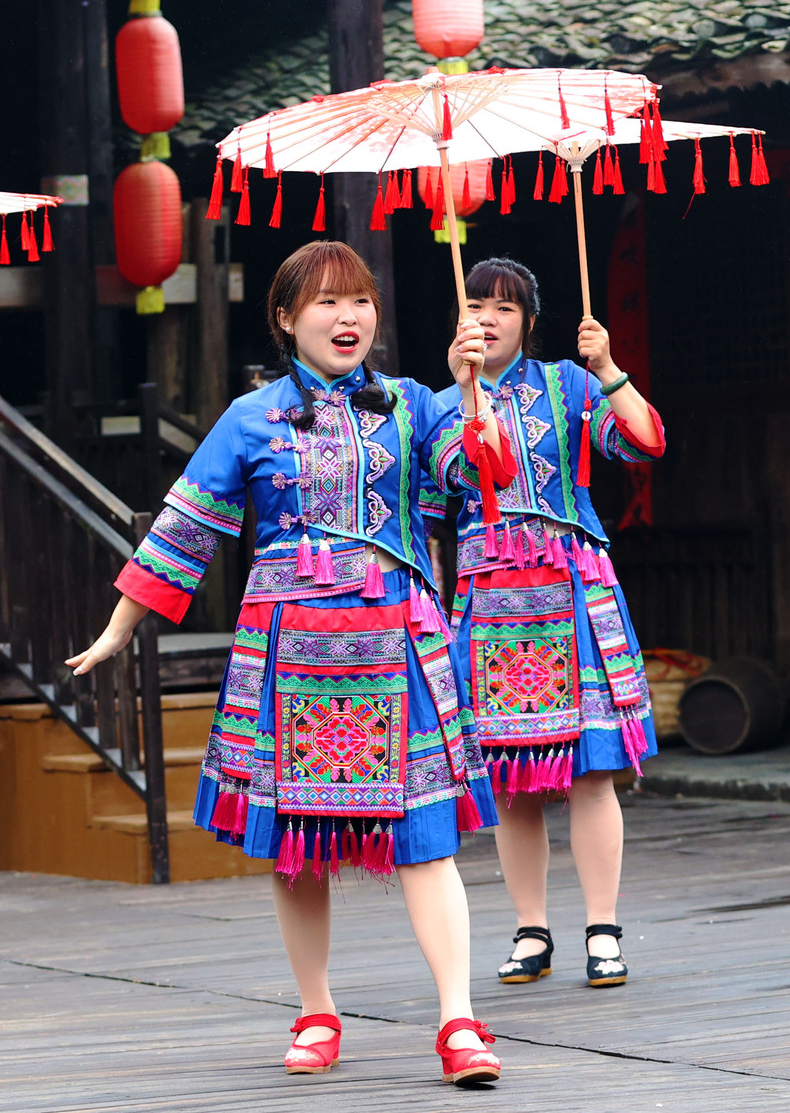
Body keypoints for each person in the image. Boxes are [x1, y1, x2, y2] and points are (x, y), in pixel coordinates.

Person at [70, 241, 511, 1084]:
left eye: (360, 302)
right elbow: (184, 528)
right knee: (298, 844)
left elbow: (470, 475)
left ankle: (457, 1019)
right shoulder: (250, 417)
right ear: (284, 318)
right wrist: (121, 627)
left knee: (425, 839)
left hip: (397, 643)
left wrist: (469, 390)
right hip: (289, 648)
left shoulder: (417, 404)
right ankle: (317, 1008)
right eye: (326, 304)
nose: (348, 318)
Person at [434, 258, 665, 990]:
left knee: (593, 769)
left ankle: (603, 928)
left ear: (530, 320)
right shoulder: (439, 404)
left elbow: (645, 441)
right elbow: (480, 473)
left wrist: (609, 365)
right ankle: (532, 928)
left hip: (570, 583)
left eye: (507, 306)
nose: (490, 317)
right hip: (492, 595)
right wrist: (469, 393)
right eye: (476, 304)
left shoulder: (567, 383)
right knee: (509, 782)